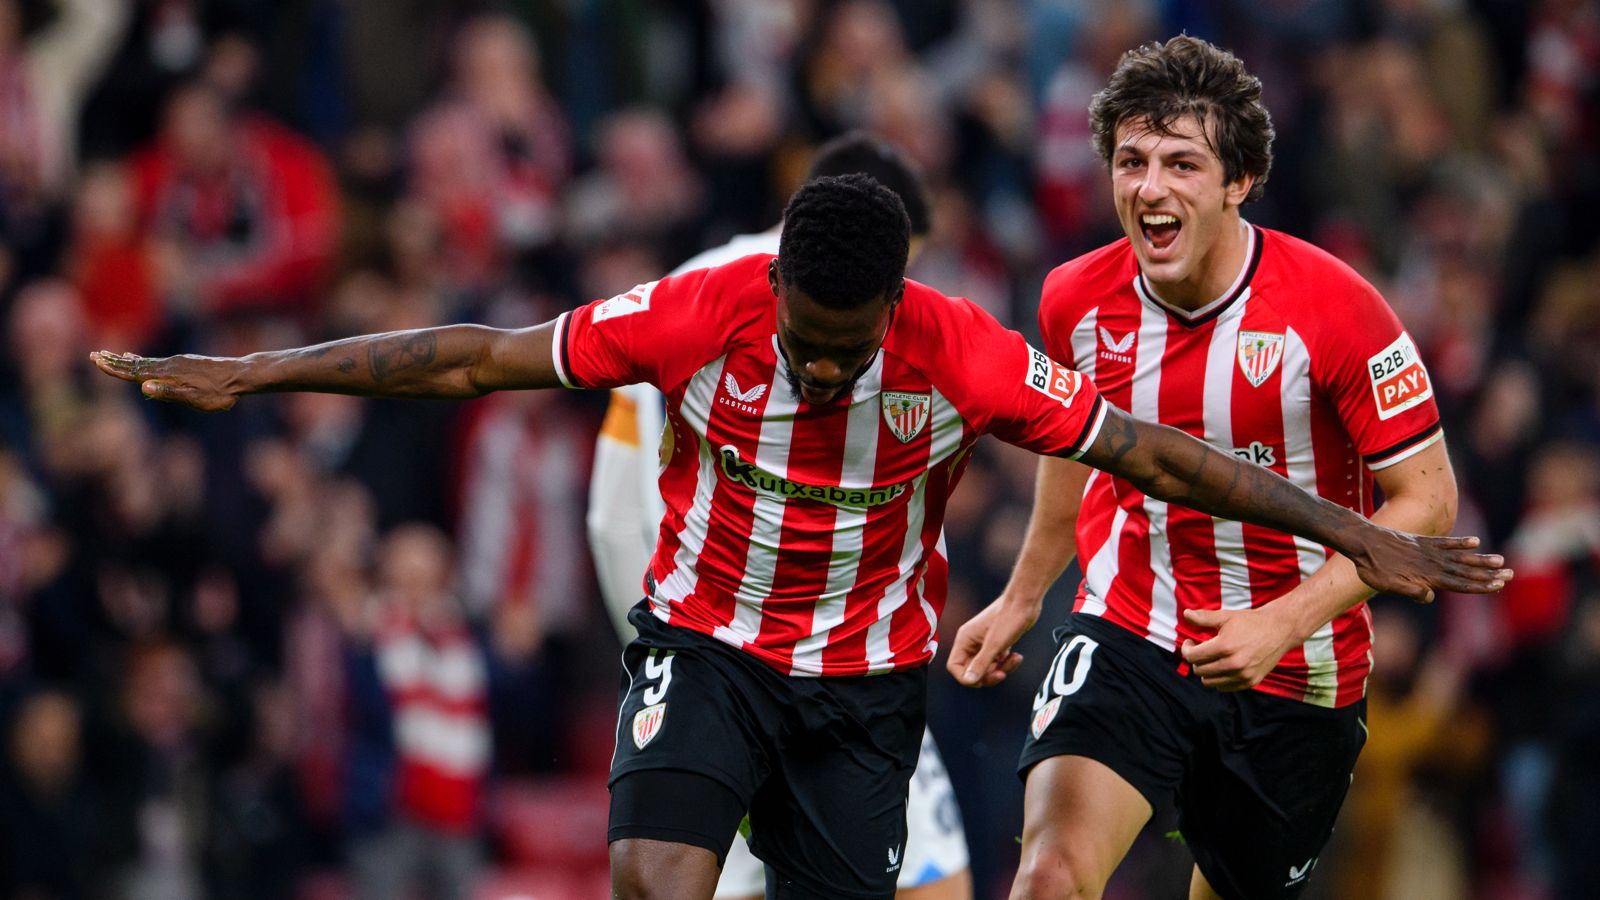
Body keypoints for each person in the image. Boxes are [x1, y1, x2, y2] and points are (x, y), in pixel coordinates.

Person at [92, 173, 1509, 900]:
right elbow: (473, 359)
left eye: (848, 349)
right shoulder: (700, 315)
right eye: (808, 345)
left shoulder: (959, 353)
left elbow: (1149, 452)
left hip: (861, 688)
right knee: (654, 880)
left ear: (895, 305)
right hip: (705, 644)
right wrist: (264, 373)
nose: (823, 371)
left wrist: (1349, 529)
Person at [946, 36, 1475, 900]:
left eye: (1182, 164)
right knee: (1048, 877)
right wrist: (1023, 594)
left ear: (1238, 183)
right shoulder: (1074, 298)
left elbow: (1429, 500)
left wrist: (1285, 622)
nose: (1150, 187)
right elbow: (1073, 445)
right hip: (1130, 626)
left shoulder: (1337, 309)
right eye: (1131, 161)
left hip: (1299, 669)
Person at [586, 132, 973, 900]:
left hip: (752, 656)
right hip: (773, 654)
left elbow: (607, 510)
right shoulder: (720, 305)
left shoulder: (679, 289)